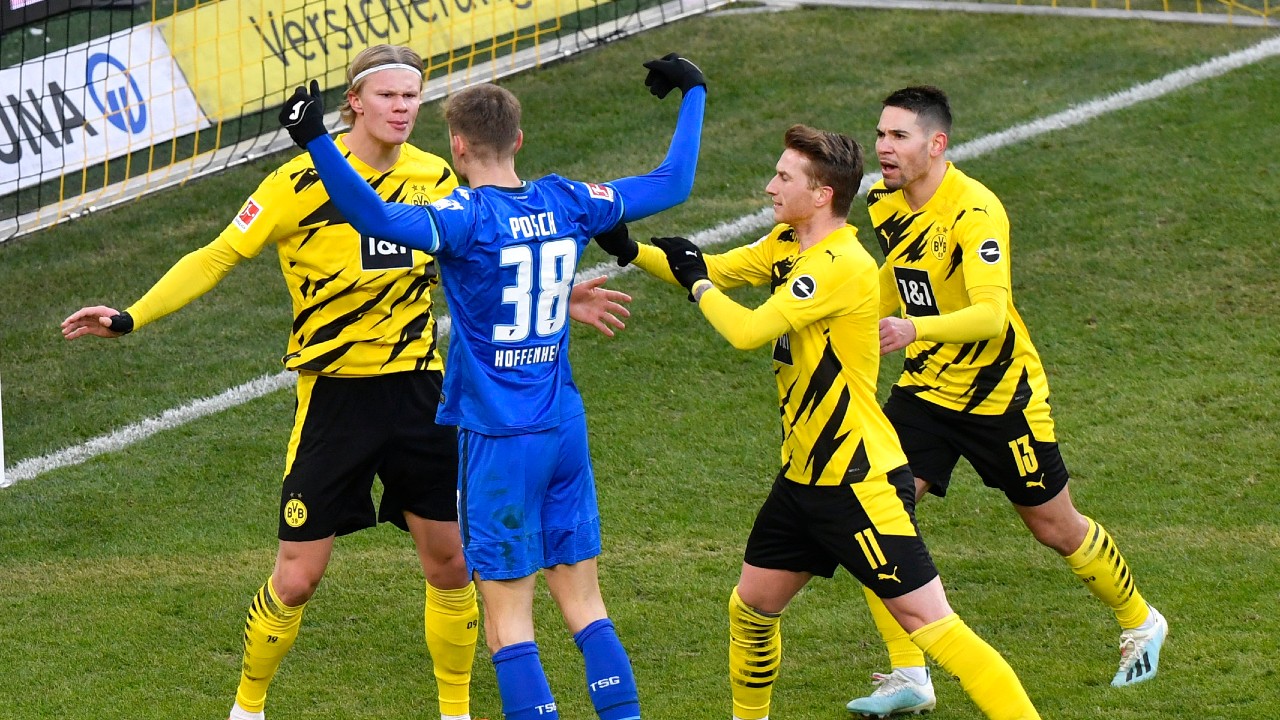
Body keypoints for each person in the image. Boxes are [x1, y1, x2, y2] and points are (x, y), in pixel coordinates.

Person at [61, 44, 633, 720]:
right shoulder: (298, 182)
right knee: (297, 578)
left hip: (423, 394)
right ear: (355, 101)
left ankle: (456, 711)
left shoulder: (436, 176)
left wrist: (556, 298)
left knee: (452, 564)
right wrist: (132, 315)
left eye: (412, 97)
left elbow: (493, 252)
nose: (402, 108)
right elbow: (216, 254)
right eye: (388, 96)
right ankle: (248, 707)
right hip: (335, 399)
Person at [276, 52, 707, 720]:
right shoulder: (568, 199)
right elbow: (673, 182)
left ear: (456, 144)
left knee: (509, 622)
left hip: (500, 441)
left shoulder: (464, 218)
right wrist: (695, 93)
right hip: (564, 427)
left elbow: (380, 220)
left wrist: (317, 145)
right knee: (587, 606)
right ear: (519, 140)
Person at [595, 125, 1040, 720]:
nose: (769, 186)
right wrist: (631, 251)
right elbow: (721, 268)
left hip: (858, 482)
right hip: (803, 479)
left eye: (783, 178)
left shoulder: (840, 264)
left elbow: (747, 329)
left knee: (935, 627)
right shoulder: (787, 241)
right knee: (751, 606)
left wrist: (696, 282)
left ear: (822, 194)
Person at [844, 85, 1167, 717]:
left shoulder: (976, 213)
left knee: (1054, 526)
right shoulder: (886, 203)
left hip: (1002, 398)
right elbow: (899, 275)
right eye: (881, 134)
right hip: (926, 393)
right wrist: (852, 318)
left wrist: (914, 329)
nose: (883, 147)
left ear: (937, 145)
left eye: (898, 136)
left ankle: (1142, 621)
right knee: (875, 515)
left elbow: (991, 315)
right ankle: (910, 673)